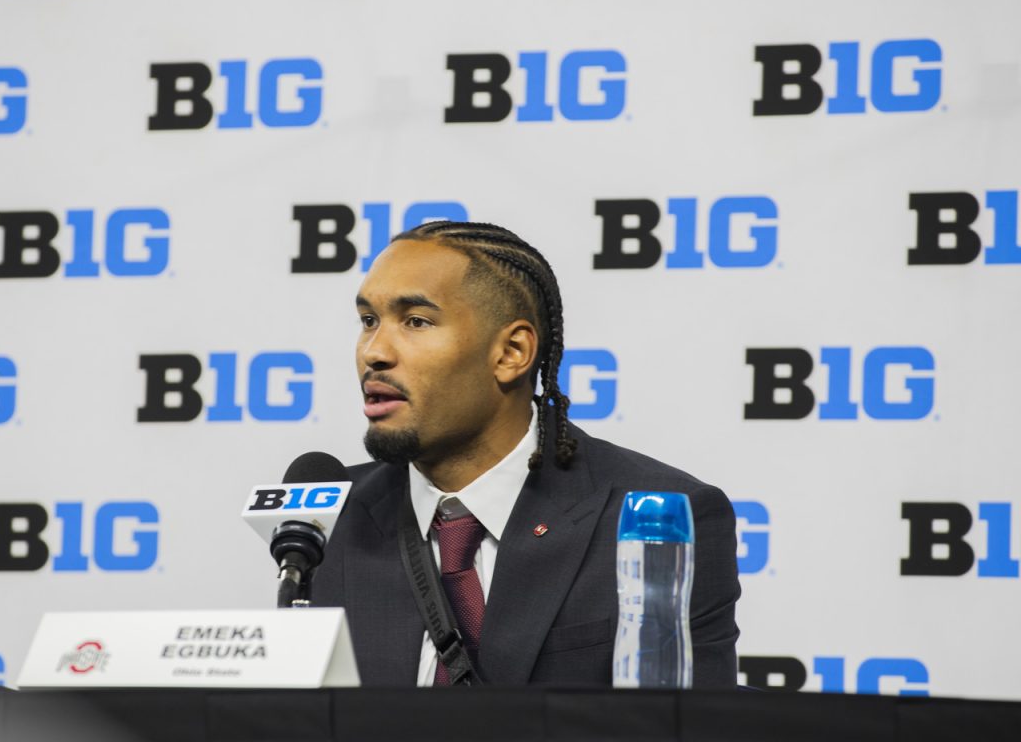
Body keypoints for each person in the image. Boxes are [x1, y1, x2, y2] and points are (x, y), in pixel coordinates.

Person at [310, 221, 740, 688]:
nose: (374, 352)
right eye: (368, 321)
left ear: (512, 352)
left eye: (416, 321)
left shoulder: (660, 516)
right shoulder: (328, 517)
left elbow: (689, 726)